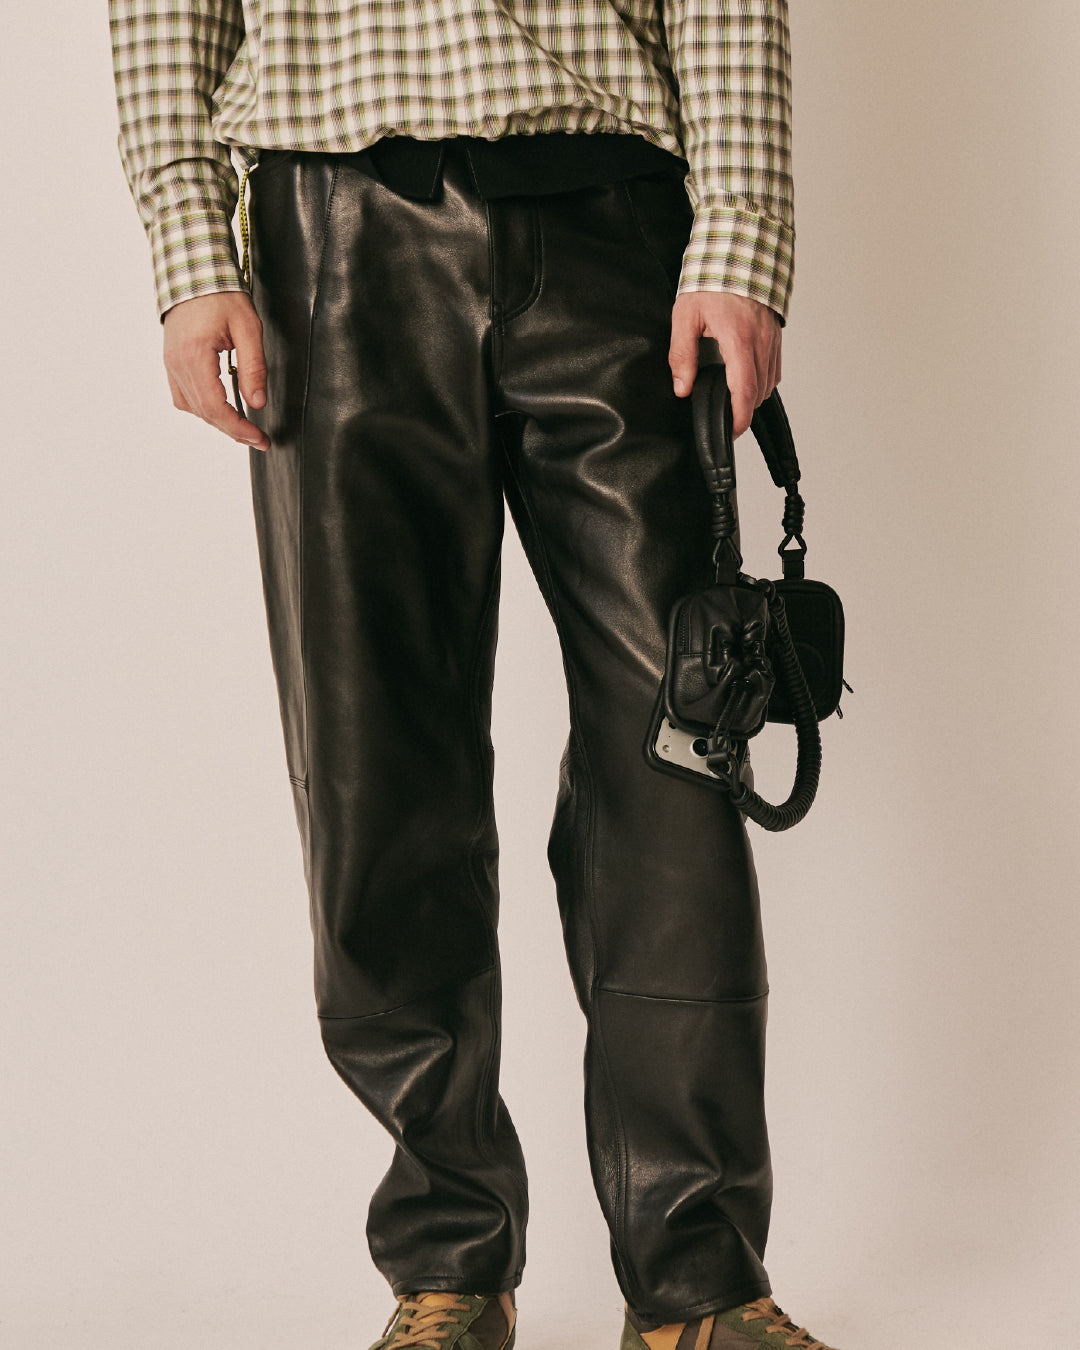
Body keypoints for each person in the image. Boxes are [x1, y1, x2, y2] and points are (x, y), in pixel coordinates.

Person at [110, 3, 841, 1347]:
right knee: (374, 760)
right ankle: (448, 1263)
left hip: (614, 214)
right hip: (330, 231)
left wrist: (741, 228)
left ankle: (698, 1281)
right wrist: (190, 245)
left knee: (676, 754)